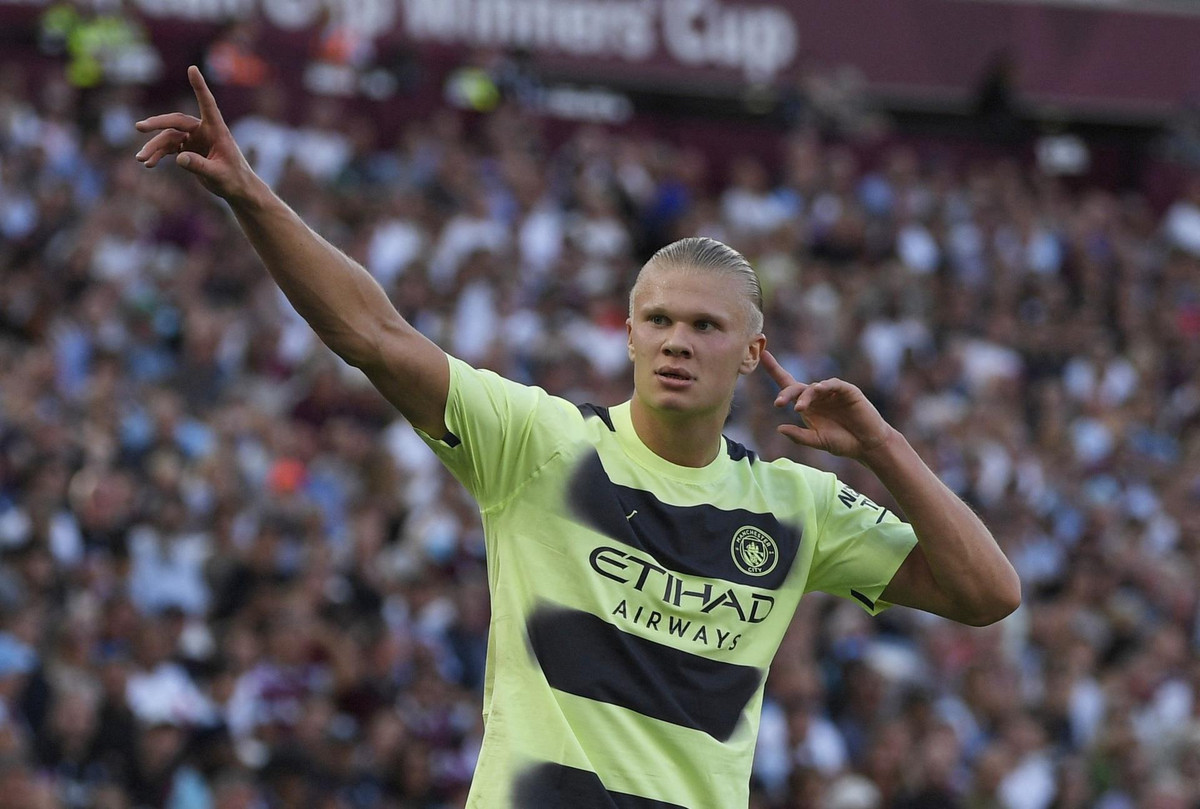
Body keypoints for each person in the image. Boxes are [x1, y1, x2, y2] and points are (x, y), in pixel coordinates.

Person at [135, 67, 1021, 809]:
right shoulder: (539, 443)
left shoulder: (797, 505)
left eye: (706, 326)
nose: (677, 341)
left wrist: (885, 446)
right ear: (629, 336)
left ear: (753, 354)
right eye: (658, 320)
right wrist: (251, 195)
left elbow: (988, 593)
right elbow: (374, 334)